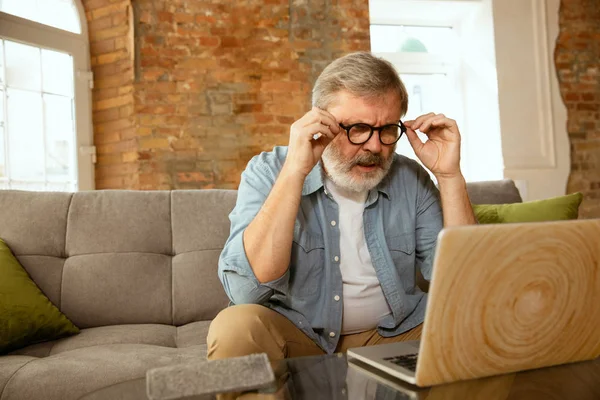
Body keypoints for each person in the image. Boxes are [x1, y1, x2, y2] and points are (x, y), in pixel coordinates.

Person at [207, 51, 476, 361]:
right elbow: (245, 293)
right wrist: (295, 170)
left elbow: (464, 284)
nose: (375, 147)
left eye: (387, 129)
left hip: (395, 333)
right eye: (358, 129)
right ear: (322, 121)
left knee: (482, 317)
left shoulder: (410, 178)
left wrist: (449, 176)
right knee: (235, 329)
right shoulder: (269, 171)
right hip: (300, 334)